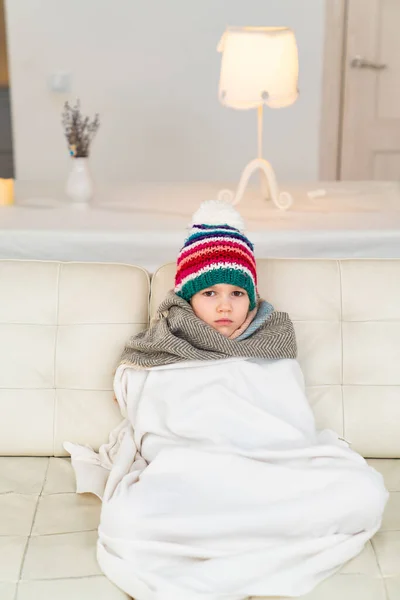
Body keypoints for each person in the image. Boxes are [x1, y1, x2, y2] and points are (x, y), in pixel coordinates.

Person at [65, 199, 389, 600]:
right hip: (193, 470)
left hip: (273, 467)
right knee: (125, 519)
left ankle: (238, 525)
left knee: (365, 492)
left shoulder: (272, 338)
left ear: (252, 297)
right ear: (187, 296)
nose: (224, 305)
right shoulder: (162, 346)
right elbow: (149, 408)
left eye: (237, 292)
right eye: (210, 292)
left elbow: (286, 417)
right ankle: (257, 527)